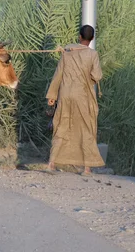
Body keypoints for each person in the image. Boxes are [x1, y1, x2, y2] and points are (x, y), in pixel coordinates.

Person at [46, 24, 105, 175]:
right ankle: (86, 168)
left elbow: (58, 74)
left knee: (61, 125)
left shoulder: (67, 50)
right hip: (82, 97)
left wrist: (52, 95)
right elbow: (97, 76)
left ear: (79, 36)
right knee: (86, 128)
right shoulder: (92, 54)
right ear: (91, 39)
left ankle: (51, 163)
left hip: (65, 94)